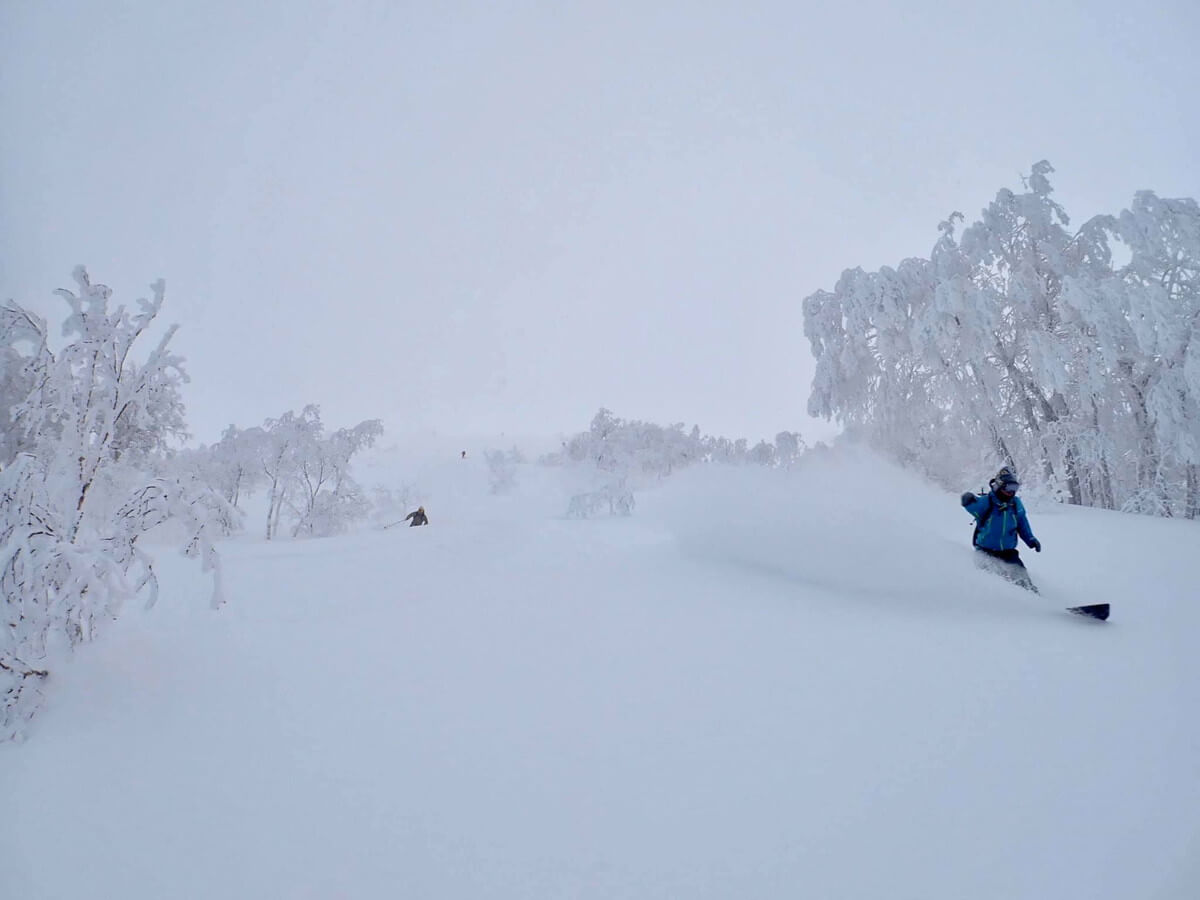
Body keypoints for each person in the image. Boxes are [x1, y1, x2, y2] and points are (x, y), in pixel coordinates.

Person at [961, 467, 1041, 591]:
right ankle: (995, 604)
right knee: (992, 582)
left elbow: (1022, 523)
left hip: (1008, 552)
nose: (1012, 492)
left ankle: (1035, 600)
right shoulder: (986, 502)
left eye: (1015, 488)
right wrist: (967, 500)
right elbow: (971, 505)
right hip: (985, 551)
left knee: (1022, 580)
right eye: (1009, 488)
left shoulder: (1015, 504)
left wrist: (1030, 539)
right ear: (999, 486)